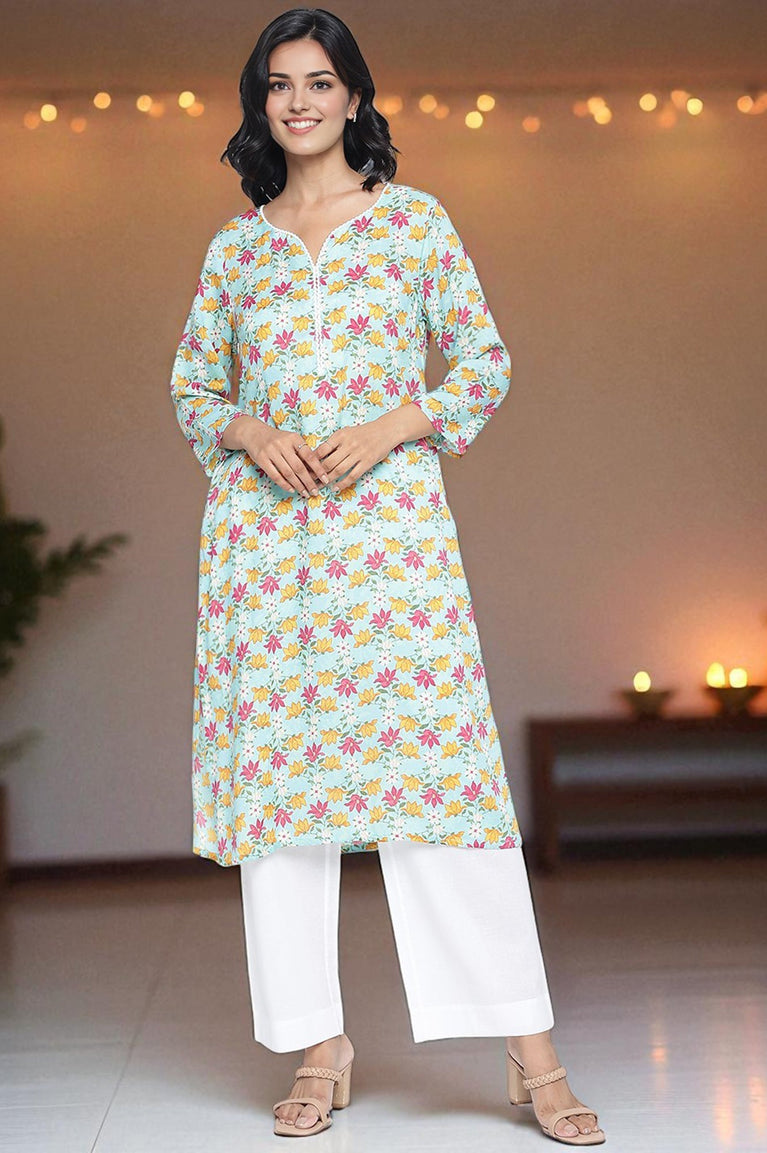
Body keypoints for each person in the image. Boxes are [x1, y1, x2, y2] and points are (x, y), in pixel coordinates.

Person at [169, 6, 605, 1145]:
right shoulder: (236, 249)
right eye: (279, 84)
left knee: (442, 787)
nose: (299, 101)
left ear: (354, 96)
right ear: (260, 103)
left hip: (390, 549)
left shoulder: (413, 223)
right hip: (265, 554)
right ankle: (318, 1047)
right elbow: (192, 388)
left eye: (320, 81)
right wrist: (249, 429)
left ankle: (530, 1052)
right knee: (282, 809)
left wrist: (393, 423)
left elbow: (482, 363)